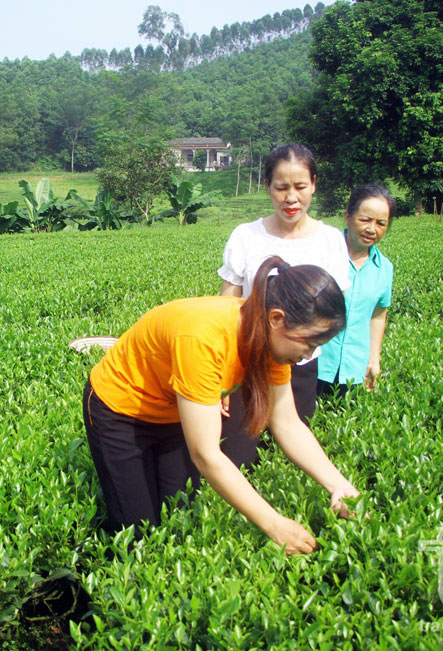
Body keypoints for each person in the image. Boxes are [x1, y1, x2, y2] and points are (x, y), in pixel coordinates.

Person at [83, 256, 360, 553]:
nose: (309, 354)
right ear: (277, 318)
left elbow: (287, 422)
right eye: (309, 343)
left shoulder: (271, 341)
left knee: (179, 517)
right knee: (137, 533)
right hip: (121, 409)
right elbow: (206, 454)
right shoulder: (203, 338)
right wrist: (273, 524)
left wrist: (339, 486)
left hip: (174, 409)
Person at [218, 143, 350, 426]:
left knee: (290, 444)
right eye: (281, 187)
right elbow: (227, 305)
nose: (291, 198)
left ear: (314, 185)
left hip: (301, 364)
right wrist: (223, 370)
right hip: (248, 362)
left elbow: (332, 311)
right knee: (240, 450)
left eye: (300, 186)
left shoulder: (330, 240)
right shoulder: (245, 236)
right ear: (267, 186)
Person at [317, 183, 395, 394]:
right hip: (313, 364)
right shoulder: (321, 254)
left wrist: (374, 359)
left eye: (381, 223)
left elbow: (378, 315)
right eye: (365, 220)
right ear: (348, 216)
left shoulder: (384, 268)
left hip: (354, 372)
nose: (372, 229)